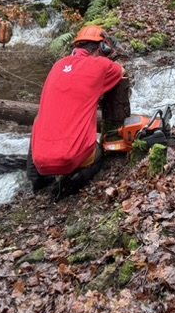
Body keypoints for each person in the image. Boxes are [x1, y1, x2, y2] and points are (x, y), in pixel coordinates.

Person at [27, 25, 130, 198]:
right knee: (99, 152)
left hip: (39, 162)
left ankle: (37, 182)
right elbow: (121, 70)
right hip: (70, 159)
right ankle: (67, 187)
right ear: (102, 48)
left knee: (40, 120)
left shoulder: (57, 66)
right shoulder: (102, 65)